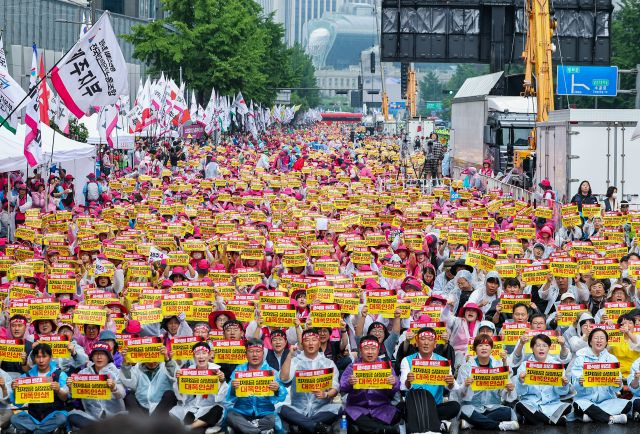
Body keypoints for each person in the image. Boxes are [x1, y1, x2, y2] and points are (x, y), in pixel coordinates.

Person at [279, 328, 341, 434]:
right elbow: (284, 378)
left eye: (314, 339)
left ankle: (303, 425)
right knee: (282, 409)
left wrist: (326, 394)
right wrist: (290, 355)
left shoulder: (328, 363)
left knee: (339, 408)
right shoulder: (295, 361)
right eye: (307, 340)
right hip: (298, 409)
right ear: (302, 344)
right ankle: (316, 426)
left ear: (319, 343)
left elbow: (335, 387)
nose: (311, 343)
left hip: (321, 409)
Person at [400, 327, 460, 433]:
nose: (426, 343)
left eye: (430, 339)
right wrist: (409, 380)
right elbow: (404, 387)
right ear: (417, 343)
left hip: (435, 405)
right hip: (415, 405)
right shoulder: (407, 360)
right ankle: (438, 424)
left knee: (455, 406)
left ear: (435, 344)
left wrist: (450, 382)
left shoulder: (444, 361)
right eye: (423, 339)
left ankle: (419, 424)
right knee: (399, 408)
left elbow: (451, 387)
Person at [456, 334, 519, 431]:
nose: (484, 348)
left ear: (492, 349)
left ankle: (473, 423)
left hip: (493, 407)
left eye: (487, 345)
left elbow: (504, 393)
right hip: (472, 407)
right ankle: (499, 426)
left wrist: (508, 389)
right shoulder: (465, 368)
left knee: (507, 412)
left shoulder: (498, 366)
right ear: (475, 349)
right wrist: (465, 385)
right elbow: (459, 394)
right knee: (465, 411)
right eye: (480, 345)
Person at [340, 335, 401, 434]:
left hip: (381, 407)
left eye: (373, 349)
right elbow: (342, 386)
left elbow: (396, 388)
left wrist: (393, 382)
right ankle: (382, 430)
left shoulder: (385, 367)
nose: (370, 352)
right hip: (357, 408)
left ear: (378, 350)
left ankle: (374, 429)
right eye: (366, 348)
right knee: (349, 415)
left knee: (395, 414)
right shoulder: (352, 367)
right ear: (360, 350)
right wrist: (349, 382)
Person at [570, 327, 630, 424]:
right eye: (596, 338)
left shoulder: (612, 358)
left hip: (607, 400)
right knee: (579, 405)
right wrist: (580, 383)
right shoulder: (580, 359)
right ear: (590, 342)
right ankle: (612, 418)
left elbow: (615, 388)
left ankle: (593, 417)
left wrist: (618, 384)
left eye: (602, 338)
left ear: (606, 342)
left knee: (628, 404)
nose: (599, 341)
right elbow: (575, 385)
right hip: (586, 400)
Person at [227, 338, 286, 434]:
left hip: (265, 412)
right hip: (242, 411)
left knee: (272, 419)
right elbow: (228, 396)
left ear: (263, 353)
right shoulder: (239, 370)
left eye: (258, 351)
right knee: (229, 414)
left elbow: (282, 395)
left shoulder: (270, 371)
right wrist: (233, 388)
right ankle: (256, 431)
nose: (255, 355)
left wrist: (277, 389)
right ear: (246, 354)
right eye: (251, 351)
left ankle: (247, 428)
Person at [10, 343, 69, 434]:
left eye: (44, 356)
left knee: (62, 418)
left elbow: (65, 397)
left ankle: (36, 431)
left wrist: (58, 390)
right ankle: (43, 430)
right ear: (34, 358)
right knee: (15, 419)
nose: (41, 360)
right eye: (38, 357)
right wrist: (15, 390)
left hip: (54, 415)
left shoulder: (60, 374)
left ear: (50, 357)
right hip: (33, 417)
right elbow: (18, 405)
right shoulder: (26, 376)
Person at [170, 342, 227, 433]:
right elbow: (181, 397)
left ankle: (190, 427)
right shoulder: (188, 371)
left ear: (209, 355)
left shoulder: (217, 371)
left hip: (209, 408)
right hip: (192, 408)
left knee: (218, 409)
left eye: (204, 353)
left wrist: (222, 381)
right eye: (197, 354)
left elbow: (221, 398)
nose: (201, 356)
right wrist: (179, 381)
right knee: (185, 416)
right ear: (193, 356)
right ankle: (191, 427)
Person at [515, 334, 572, 426]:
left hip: (551, 403)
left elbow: (561, 393)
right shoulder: (525, 365)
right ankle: (551, 421)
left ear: (549, 348)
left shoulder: (556, 366)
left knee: (569, 407)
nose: (541, 348)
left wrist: (563, 384)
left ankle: (534, 419)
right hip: (531, 403)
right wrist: (521, 382)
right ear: (532, 348)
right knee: (520, 406)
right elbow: (520, 392)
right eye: (538, 345)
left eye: (545, 346)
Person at [67, 343, 126, 429]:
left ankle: (99, 430)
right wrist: (70, 388)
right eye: (96, 354)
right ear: (92, 357)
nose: (99, 357)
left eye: (102, 354)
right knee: (72, 416)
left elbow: (122, 394)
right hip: (92, 417)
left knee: (123, 420)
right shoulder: (83, 373)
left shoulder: (116, 372)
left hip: (114, 416)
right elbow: (73, 397)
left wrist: (114, 387)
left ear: (108, 357)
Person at [120, 344, 178, 416]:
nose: (151, 363)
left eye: (154, 360)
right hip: (142, 407)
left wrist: (167, 359)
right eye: (148, 360)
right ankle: (143, 423)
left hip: (161, 407)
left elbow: (175, 378)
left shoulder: (167, 366)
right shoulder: (137, 368)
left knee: (170, 394)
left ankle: (149, 423)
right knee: (129, 395)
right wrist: (126, 363)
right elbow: (129, 383)